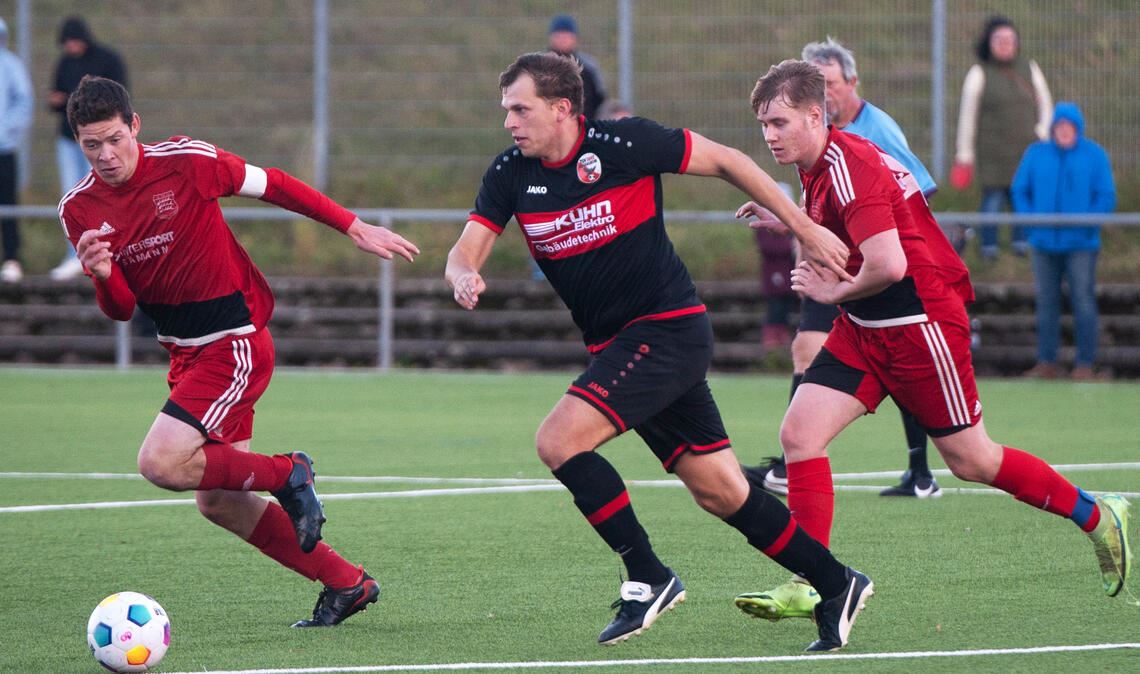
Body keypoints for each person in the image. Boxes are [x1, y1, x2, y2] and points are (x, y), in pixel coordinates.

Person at [446, 51, 871, 653]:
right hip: (621, 347)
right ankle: (836, 582)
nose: (509, 122)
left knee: (558, 441)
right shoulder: (510, 173)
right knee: (721, 491)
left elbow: (729, 160)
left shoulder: (626, 144)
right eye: (506, 110)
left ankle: (647, 576)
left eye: (521, 109)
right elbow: (464, 250)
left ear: (562, 108)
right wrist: (463, 273)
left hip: (666, 331)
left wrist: (802, 227)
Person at [735, 59, 1131, 626]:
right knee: (800, 434)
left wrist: (833, 288)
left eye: (779, 122)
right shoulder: (819, 163)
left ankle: (1097, 514)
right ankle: (813, 580)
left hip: (920, 326)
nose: (769, 135)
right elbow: (845, 227)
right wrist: (789, 222)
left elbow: (890, 265)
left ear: (816, 116)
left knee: (973, 460)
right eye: (763, 125)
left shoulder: (849, 166)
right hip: (867, 327)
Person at [59, 76, 420, 627]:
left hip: (234, 339)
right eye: (92, 145)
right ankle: (346, 582)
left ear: (135, 126)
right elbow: (122, 310)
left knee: (159, 462)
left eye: (115, 139)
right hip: (185, 355)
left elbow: (274, 184)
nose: (106, 155)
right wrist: (102, 274)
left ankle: (289, 472)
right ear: (78, 143)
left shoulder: (187, 162)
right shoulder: (79, 209)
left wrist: (350, 225)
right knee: (220, 500)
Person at [743, 38, 942, 500]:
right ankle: (793, 462)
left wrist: (878, 243)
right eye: (818, 83)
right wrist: (790, 220)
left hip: (872, 272)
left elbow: (914, 192)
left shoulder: (875, 132)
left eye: (831, 83)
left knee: (967, 450)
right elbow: (824, 206)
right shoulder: (810, 141)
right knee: (805, 348)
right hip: (832, 265)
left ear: (852, 83)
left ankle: (920, 470)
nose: (825, 91)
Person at [1011, 102, 1116, 381]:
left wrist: (1086, 225)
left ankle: (1085, 364)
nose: (1064, 132)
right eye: (1060, 127)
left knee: (1083, 301)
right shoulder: (1036, 154)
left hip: (1082, 245)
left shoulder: (1094, 155)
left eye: (1069, 127)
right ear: (1053, 129)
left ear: (1078, 129)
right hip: (1043, 243)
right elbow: (1020, 190)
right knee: (1046, 303)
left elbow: (1105, 195)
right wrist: (1031, 223)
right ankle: (1047, 362)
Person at [951, 15, 1052, 260]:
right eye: (999, 40)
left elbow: (1045, 103)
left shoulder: (1030, 68)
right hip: (992, 154)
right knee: (992, 201)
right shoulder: (979, 73)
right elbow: (967, 117)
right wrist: (964, 155)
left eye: (1010, 39)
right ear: (989, 43)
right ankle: (989, 248)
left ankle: (1022, 246)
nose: (1005, 44)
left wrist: (1042, 133)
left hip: (1026, 151)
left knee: (1022, 199)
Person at [49, 16, 129, 281]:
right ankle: (77, 254)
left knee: (102, 190)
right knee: (73, 195)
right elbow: (55, 97)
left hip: (99, 140)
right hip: (69, 139)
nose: (70, 47)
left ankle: (113, 251)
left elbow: (119, 98)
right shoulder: (64, 62)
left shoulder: (107, 60)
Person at [0, 17, 33, 283]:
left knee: (7, 204)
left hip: (3, 149)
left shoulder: (10, 65)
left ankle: (12, 259)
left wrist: (4, 130)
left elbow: (24, 102)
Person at [547, 14, 606, 119]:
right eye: (559, 35)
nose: (563, 39)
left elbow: (600, 98)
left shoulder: (588, 66)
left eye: (566, 35)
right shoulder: (539, 66)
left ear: (575, 38)